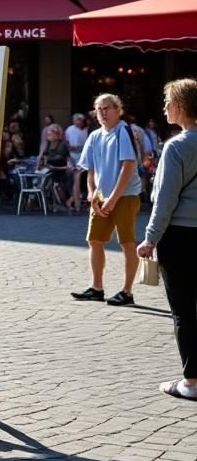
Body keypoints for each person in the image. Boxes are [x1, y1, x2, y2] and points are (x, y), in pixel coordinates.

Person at [138, 80, 197, 401]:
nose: (164, 108)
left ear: (182, 106)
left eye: (168, 102)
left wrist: (149, 238)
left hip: (180, 234)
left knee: (183, 310)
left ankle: (192, 381)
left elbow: (164, 200)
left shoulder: (177, 146)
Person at [72, 93, 144, 307]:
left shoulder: (123, 131)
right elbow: (91, 170)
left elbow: (128, 167)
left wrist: (113, 199)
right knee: (94, 240)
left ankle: (127, 292)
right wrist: (91, 193)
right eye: (99, 109)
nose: (103, 113)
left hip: (126, 195)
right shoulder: (94, 136)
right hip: (102, 197)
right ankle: (96, 288)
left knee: (126, 242)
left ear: (118, 110)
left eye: (107, 108)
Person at [37, 123, 73, 212]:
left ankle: (63, 203)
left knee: (57, 184)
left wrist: (47, 161)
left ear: (58, 134)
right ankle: (46, 203)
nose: (50, 134)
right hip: (49, 169)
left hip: (60, 169)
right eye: (49, 132)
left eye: (52, 132)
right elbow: (43, 156)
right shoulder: (47, 144)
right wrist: (41, 162)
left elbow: (60, 157)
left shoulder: (62, 145)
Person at [65, 113, 90, 212]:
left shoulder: (86, 130)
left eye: (79, 120)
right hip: (72, 156)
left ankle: (76, 202)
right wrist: (70, 148)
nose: (77, 122)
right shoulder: (69, 129)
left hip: (84, 157)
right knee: (73, 179)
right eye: (76, 120)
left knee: (81, 179)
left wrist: (80, 148)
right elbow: (66, 142)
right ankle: (75, 201)